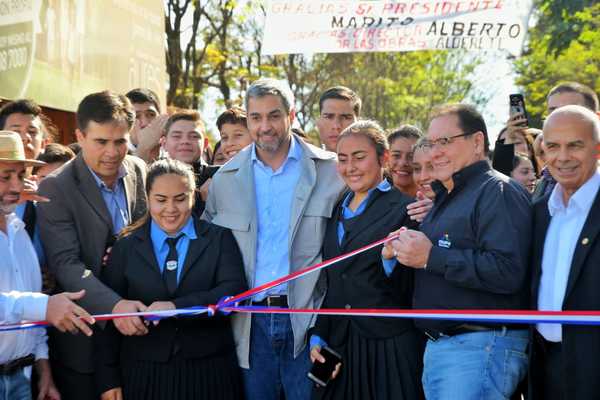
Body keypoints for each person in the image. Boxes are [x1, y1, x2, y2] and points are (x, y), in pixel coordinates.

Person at [203, 78, 346, 400]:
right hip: (248, 327)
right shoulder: (224, 180)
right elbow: (207, 253)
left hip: (310, 325)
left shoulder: (331, 171)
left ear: (291, 116)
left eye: (274, 115)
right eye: (256, 117)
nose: (265, 126)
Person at [389, 104, 532, 400]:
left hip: (480, 348)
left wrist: (431, 257)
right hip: (445, 349)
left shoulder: (497, 191)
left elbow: (508, 271)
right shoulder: (447, 197)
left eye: (445, 141)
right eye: (431, 143)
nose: (435, 152)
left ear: (477, 142)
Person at [95, 158, 246, 400]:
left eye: (180, 199)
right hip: (143, 373)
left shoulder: (218, 239)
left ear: (192, 197)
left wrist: (176, 308)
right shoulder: (125, 247)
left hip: (210, 373)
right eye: (161, 200)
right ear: (148, 197)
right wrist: (108, 379)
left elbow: (234, 293)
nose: (171, 209)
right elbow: (108, 315)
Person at [37, 91, 148, 400]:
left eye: (121, 141)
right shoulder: (55, 187)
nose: (112, 152)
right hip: (84, 342)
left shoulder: (138, 171)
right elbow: (66, 265)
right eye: (101, 142)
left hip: (139, 336)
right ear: (80, 136)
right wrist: (116, 307)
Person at [310, 120, 424, 400]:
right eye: (343, 159)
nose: (350, 167)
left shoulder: (406, 209)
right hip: (338, 344)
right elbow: (334, 281)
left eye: (359, 157)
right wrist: (318, 332)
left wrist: (389, 262)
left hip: (388, 344)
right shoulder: (335, 208)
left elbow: (412, 288)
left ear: (383, 158)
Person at [530, 105, 600, 400]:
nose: (563, 157)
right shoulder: (538, 212)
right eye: (553, 146)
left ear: (598, 149)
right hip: (545, 369)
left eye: (575, 145)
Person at [0, 131, 58, 400]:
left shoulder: (18, 230)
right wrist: (45, 306)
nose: (15, 186)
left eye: (20, 175)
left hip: (23, 380)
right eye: (5, 177)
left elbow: (31, 313)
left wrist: (43, 369)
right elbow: (34, 304)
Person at [160, 110, 216, 216]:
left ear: (205, 144)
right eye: (177, 136)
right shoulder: (152, 179)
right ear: (164, 143)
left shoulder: (218, 177)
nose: (185, 141)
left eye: (194, 136)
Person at [126, 88, 169, 163]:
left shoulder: (174, 154)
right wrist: (143, 148)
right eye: (137, 116)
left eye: (151, 115)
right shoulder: (119, 157)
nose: (145, 123)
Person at [315, 86, 361, 152]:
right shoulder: (303, 161)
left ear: (359, 124)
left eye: (345, 117)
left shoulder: (377, 161)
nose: (336, 126)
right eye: (329, 117)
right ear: (318, 122)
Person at [387, 125, 421, 197]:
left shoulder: (434, 202)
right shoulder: (374, 200)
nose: (403, 163)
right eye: (396, 155)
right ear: (386, 158)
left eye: (411, 157)